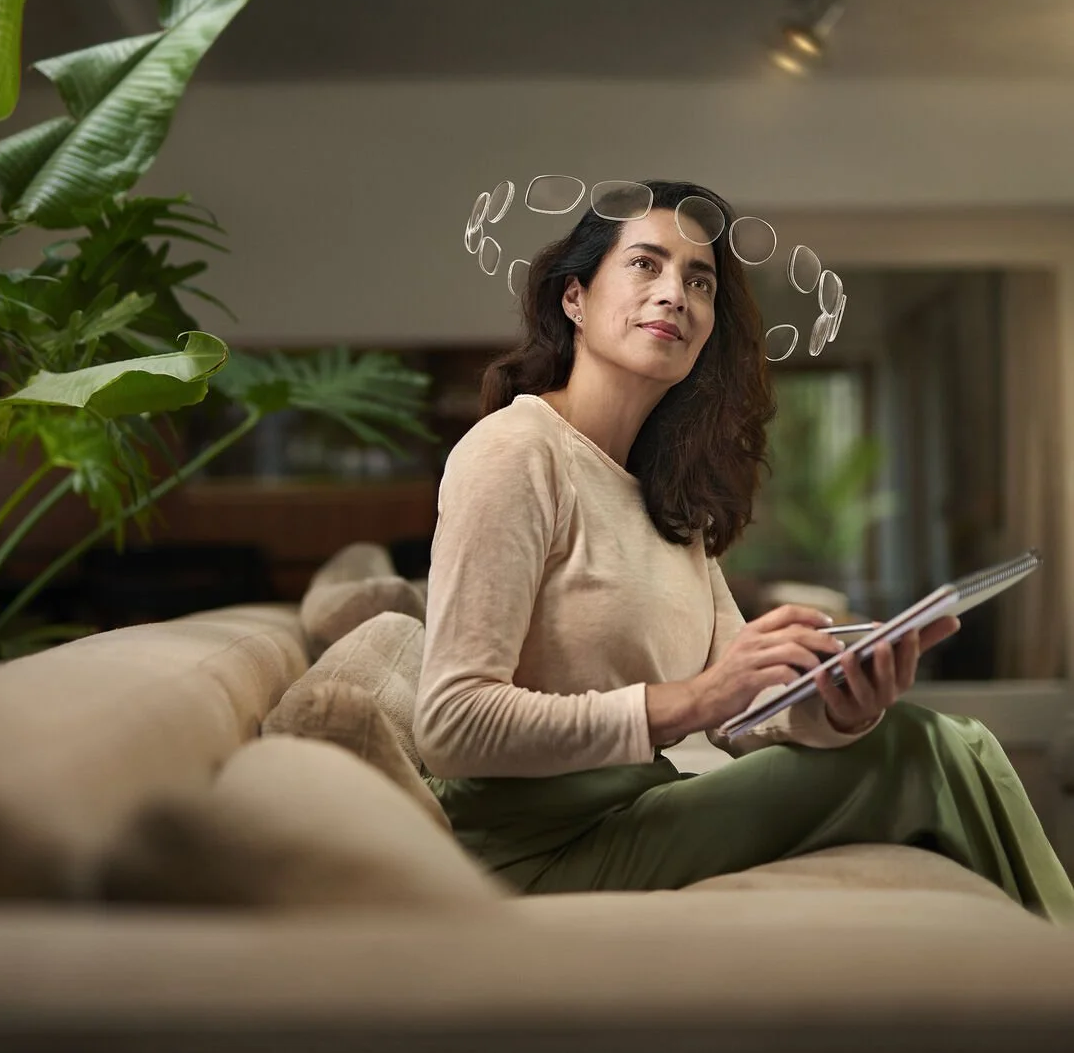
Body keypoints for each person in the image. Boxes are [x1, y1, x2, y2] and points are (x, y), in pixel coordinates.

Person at [413, 179, 1074, 923]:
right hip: (531, 856)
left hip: (634, 808)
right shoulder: (514, 451)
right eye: (645, 265)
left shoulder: (664, 496)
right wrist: (688, 701)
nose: (676, 294)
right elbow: (451, 725)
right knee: (923, 752)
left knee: (953, 739)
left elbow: (745, 715)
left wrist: (837, 707)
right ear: (575, 299)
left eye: (700, 280)